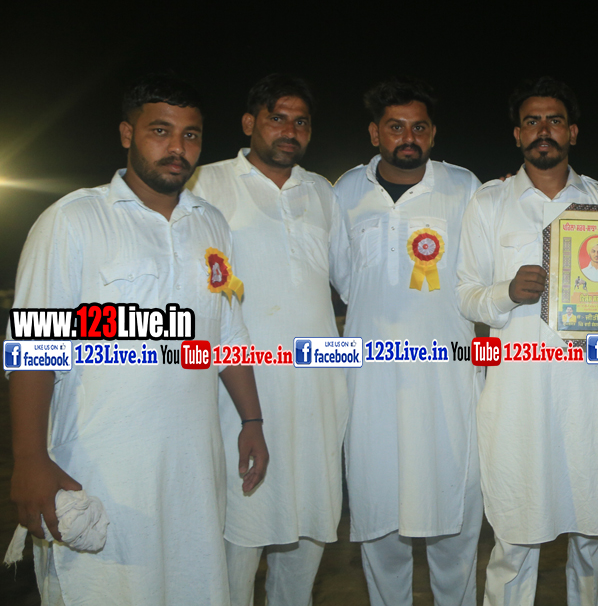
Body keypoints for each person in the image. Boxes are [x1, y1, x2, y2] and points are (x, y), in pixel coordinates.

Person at [7, 73, 268, 606]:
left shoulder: (211, 224)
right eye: (160, 131)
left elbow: (228, 333)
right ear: (127, 134)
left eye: (191, 135)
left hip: (193, 474)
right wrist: (28, 458)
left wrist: (252, 421)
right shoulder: (73, 220)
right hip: (101, 471)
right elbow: (34, 345)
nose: (178, 148)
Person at [457, 76, 598, 606]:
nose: (543, 130)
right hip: (515, 393)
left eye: (554, 120)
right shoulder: (489, 203)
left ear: (572, 131)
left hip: (589, 392)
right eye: (532, 121)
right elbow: (465, 295)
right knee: (514, 536)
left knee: (591, 535)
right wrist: (506, 293)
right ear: (517, 133)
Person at [188, 74, 348, 606]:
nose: (289, 130)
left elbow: (350, 280)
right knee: (236, 542)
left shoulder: (322, 191)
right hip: (239, 395)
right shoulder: (206, 184)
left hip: (316, 395)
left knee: (308, 533)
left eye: (301, 121)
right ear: (248, 123)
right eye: (277, 118)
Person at [332, 76, 483, 606]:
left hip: (447, 379)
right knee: (380, 522)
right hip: (373, 384)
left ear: (433, 133)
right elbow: (345, 280)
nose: (408, 137)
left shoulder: (464, 186)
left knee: (454, 524)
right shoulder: (346, 191)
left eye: (419, 127)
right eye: (395, 127)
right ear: (375, 133)